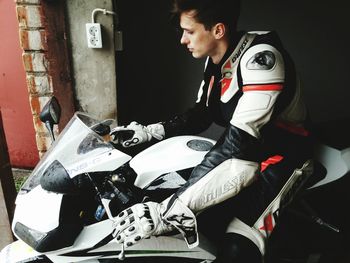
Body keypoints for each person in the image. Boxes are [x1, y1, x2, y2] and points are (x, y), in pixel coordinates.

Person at [111, 0, 314, 262]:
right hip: (249, 151)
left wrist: (167, 212)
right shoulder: (218, 59)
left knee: (237, 242)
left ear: (218, 30)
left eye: (190, 31)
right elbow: (202, 113)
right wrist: (151, 132)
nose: (183, 40)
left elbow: (239, 147)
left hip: (283, 155)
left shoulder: (261, 60)